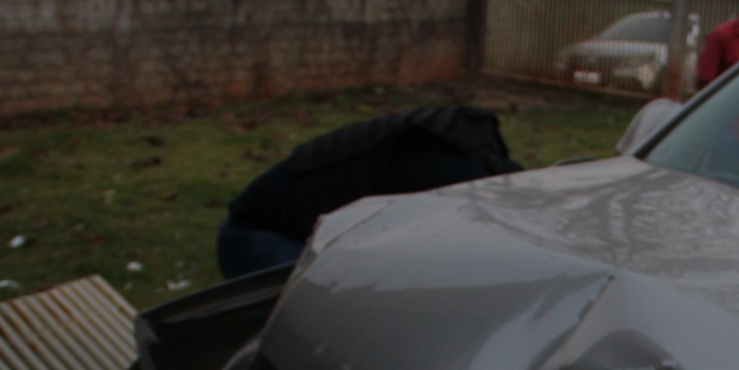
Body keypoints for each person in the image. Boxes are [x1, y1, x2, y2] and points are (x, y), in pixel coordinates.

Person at [216, 106, 523, 279]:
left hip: (317, 235)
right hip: (260, 235)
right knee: (318, 333)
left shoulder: (474, 155)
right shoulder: (447, 184)